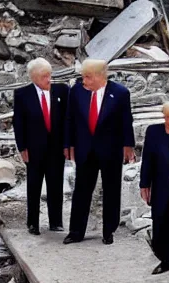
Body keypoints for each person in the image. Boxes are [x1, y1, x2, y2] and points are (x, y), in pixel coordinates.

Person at [64, 59, 135, 245]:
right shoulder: (77, 92)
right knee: (81, 190)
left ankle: (108, 231)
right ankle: (76, 232)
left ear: (100, 76)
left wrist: (128, 146)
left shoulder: (120, 93)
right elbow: (70, 119)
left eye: (88, 77)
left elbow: (126, 121)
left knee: (111, 190)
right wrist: (68, 145)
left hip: (110, 150)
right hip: (85, 149)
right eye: (82, 77)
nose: (84, 81)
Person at [13, 58, 69, 235]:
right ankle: (33, 223)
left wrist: (68, 145)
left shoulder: (62, 91)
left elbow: (68, 120)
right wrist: (22, 148)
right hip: (34, 149)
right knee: (34, 186)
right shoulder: (22, 95)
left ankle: (56, 221)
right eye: (45, 76)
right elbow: (18, 123)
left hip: (56, 148)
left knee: (55, 184)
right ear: (34, 78)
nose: (49, 79)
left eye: (50, 75)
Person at [140, 100, 169, 279]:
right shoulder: (155, 132)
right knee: (162, 226)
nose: (166, 121)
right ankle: (164, 261)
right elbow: (147, 160)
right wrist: (144, 184)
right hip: (162, 190)